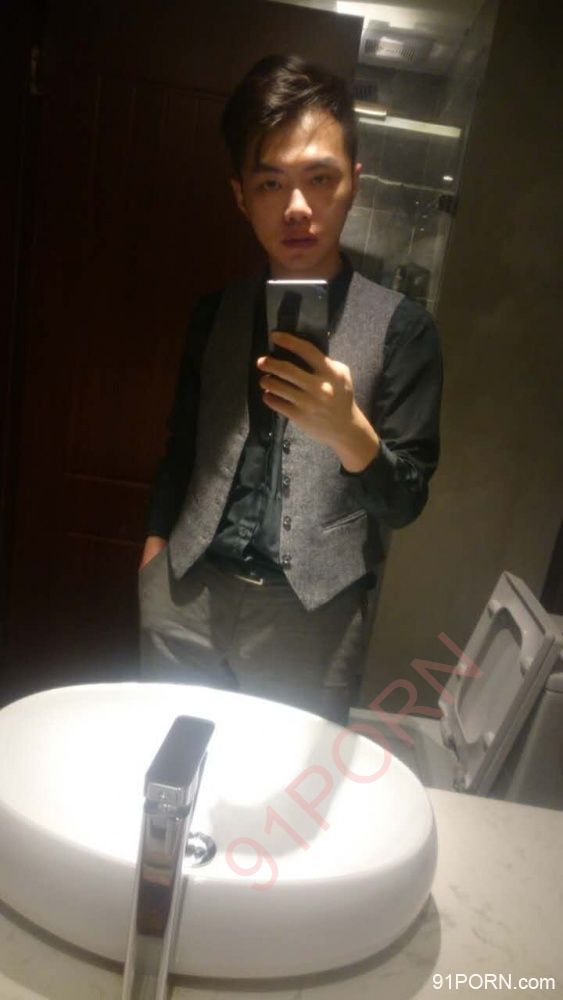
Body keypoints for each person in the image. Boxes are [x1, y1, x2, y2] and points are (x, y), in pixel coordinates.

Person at [138, 54, 443, 726]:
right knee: (171, 763)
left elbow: (406, 502)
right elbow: (181, 448)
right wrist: (154, 554)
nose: (297, 208)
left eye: (320, 179)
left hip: (313, 621)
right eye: (271, 182)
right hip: (186, 596)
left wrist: (349, 433)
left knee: (285, 793)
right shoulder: (215, 314)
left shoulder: (404, 330)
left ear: (353, 181)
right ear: (241, 196)